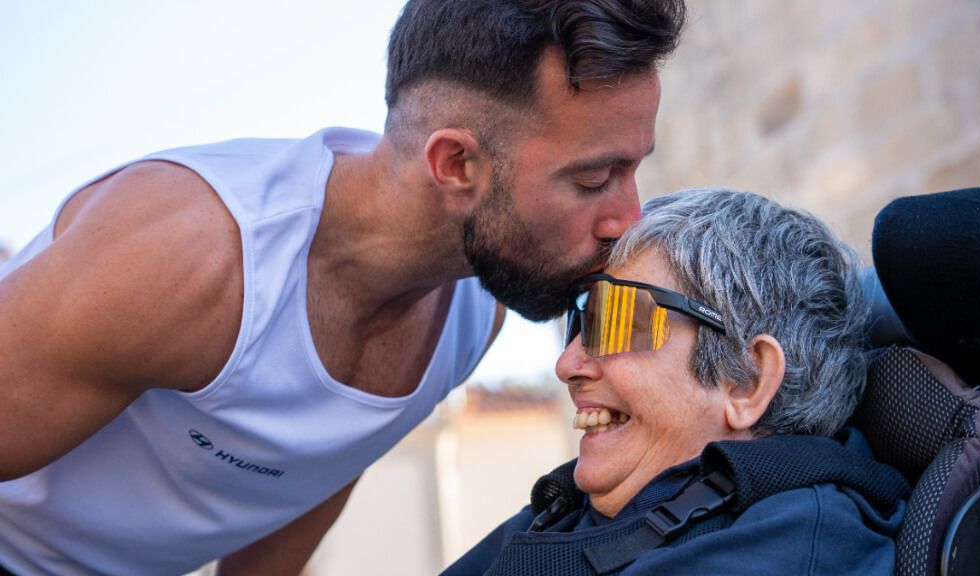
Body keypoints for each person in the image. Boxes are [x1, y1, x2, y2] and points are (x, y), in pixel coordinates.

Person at [0, 1, 687, 574]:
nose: (625, 220)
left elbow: (295, 492)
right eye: (593, 180)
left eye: (631, 172)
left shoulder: (475, 314)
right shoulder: (192, 255)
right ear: (454, 165)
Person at [443, 188, 910, 575]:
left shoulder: (791, 545)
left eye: (617, 318)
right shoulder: (568, 508)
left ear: (747, 382)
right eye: (581, 318)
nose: (567, 364)